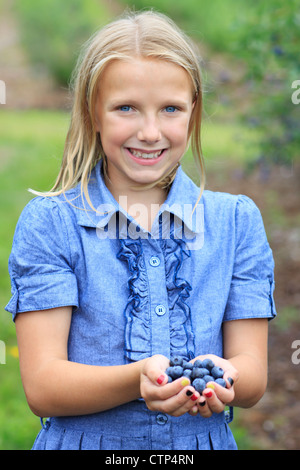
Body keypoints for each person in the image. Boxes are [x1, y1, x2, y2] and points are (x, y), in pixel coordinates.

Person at [5, 10, 276, 450]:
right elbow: (43, 385)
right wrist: (137, 380)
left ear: (193, 113)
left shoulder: (236, 222)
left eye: (171, 109)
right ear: (93, 112)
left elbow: (253, 377)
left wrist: (228, 376)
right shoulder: (51, 224)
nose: (150, 132)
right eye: (126, 108)